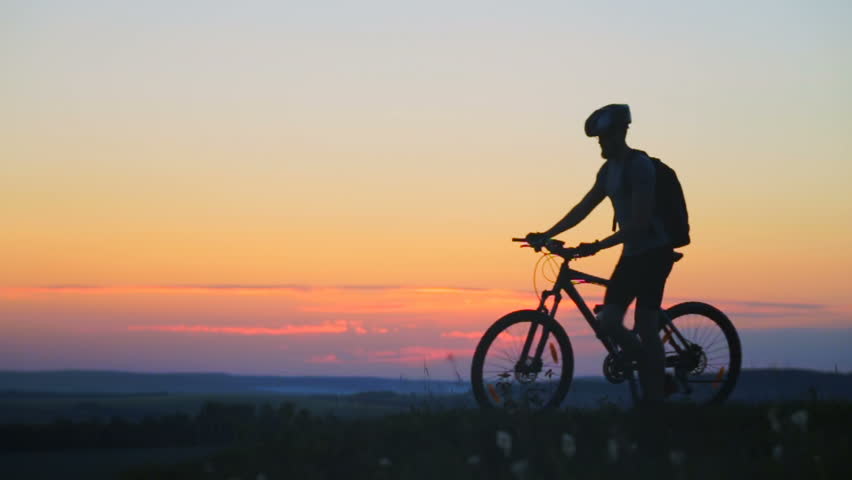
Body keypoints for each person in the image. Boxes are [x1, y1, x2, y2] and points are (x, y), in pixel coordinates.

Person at [526, 104, 676, 404]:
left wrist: (597, 246)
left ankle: (657, 393)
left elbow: (640, 224)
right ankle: (653, 372)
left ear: (620, 134)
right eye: (599, 139)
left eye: (604, 138)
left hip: (654, 253)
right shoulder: (609, 171)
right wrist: (547, 234)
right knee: (609, 323)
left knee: (645, 327)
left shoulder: (640, 166)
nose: (600, 144)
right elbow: (583, 208)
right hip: (633, 255)